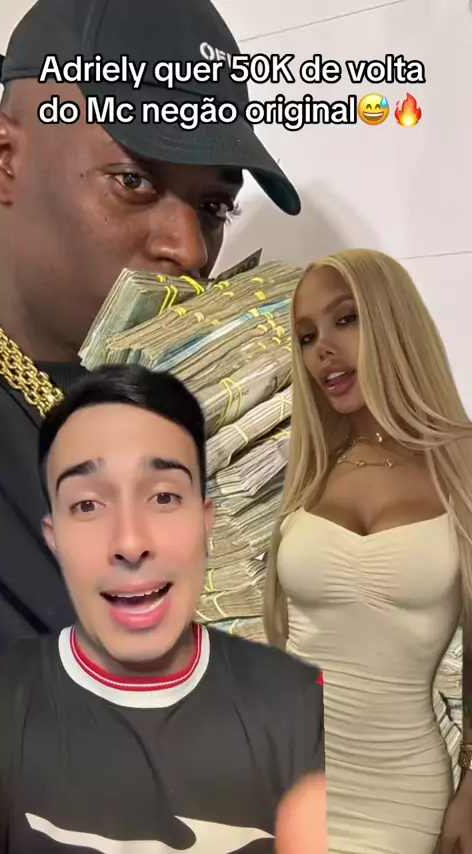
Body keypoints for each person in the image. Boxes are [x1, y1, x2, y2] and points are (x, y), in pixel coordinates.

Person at [0, 0, 301, 652]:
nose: (189, 250)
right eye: (133, 180)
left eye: (214, 204)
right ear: (3, 158)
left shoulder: (227, 410)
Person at [0, 362, 324, 853]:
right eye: (88, 506)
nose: (130, 543)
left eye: (164, 497)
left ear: (205, 521)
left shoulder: (296, 706)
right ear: (53, 537)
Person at [263, 248, 472, 854]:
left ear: (392, 319)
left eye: (345, 319)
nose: (322, 349)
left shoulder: (462, 466)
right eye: (307, 336)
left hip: (401, 795)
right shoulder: (312, 471)